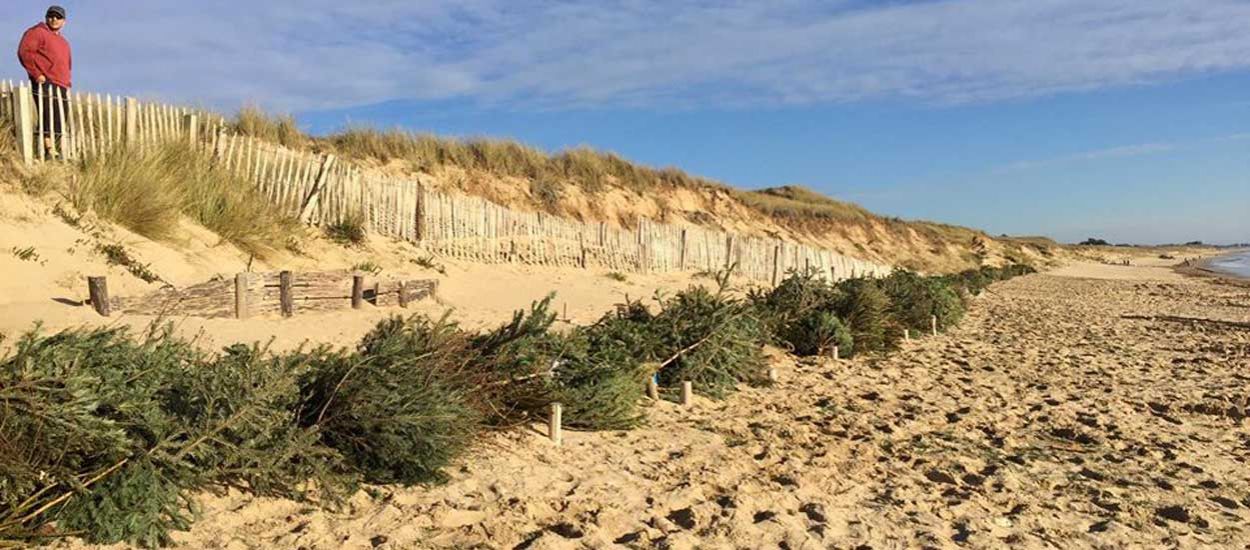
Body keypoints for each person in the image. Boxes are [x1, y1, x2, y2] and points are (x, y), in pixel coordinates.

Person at [17, 6, 72, 158]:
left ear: (64, 22)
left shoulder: (64, 42)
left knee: (61, 116)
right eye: (51, 16)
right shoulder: (37, 32)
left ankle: (56, 149)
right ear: (46, 17)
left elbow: (67, 64)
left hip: (61, 83)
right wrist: (37, 74)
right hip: (45, 80)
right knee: (47, 112)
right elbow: (25, 52)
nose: (54, 19)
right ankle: (47, 149)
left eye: (58, 17)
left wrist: (67, 82)